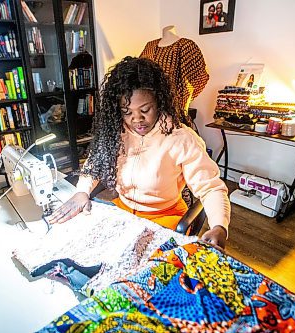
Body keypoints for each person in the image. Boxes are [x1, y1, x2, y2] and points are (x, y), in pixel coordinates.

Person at [48, 57, 230, 249]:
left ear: (159, 101)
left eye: (145, 110)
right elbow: (94, 164)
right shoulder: (116, 133)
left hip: (164, 219)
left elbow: (211, 188)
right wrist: (81, 191)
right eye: (127, 112)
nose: (137, 120)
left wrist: (219, 226)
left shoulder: (181, 139)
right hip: (124, 213)